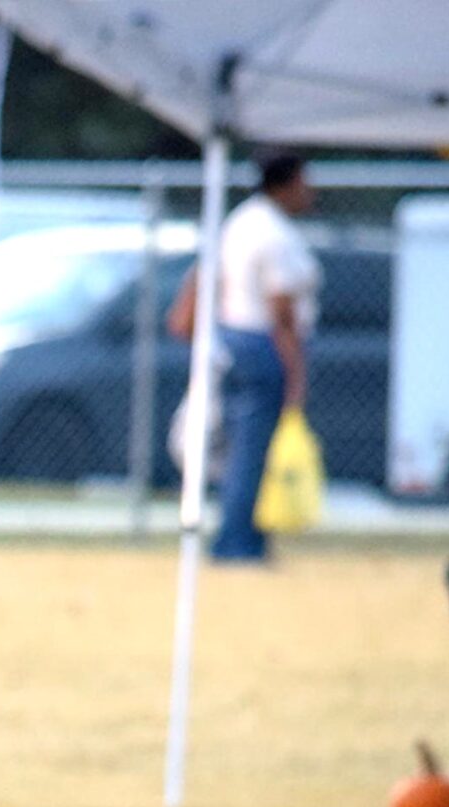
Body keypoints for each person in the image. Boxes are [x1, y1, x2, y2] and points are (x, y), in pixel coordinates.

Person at [169, 151, 319, 564]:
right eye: (304, 182)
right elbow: (281, 309)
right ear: (284, 184)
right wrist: (296, 373)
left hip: (232, 341)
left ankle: (241, 536)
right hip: (262, 343)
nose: (310, 192)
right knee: (252, 453)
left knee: (241, 451)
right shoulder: (273, 233)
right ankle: (238, 542)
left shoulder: (239, 222)